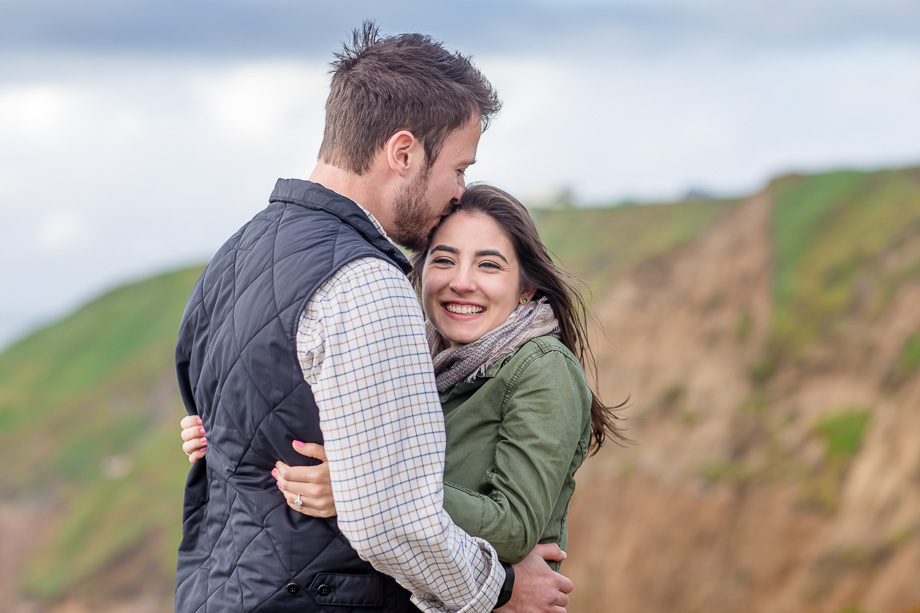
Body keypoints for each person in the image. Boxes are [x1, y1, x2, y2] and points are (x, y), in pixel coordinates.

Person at [174, 20, 572, 613]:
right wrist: (503, 591)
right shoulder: (366, 284)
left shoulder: (234, 256)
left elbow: (219, 438)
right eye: (459, 169)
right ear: (403, 152)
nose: (460, 192)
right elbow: (393, 520)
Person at [182, 184, 626, 579]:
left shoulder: (542, 367)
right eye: (444, 260)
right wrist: (226, 431)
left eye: (488, 265)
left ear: (526, 288)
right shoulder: (422, 361)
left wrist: (364, 491)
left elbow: (513, 528)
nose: (461, 282)